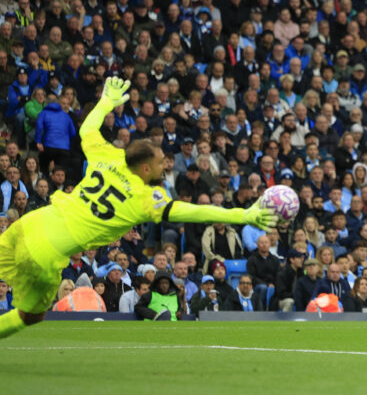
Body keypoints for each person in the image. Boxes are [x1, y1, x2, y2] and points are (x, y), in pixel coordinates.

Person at [0, 77, 278, 339]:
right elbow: (193, 211)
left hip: (31, 223)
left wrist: (105, 103)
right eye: (159, 161)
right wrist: (243, 214)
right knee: (30, 316)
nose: (165, 164)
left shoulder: (110, 156)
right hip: (47, 251)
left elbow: (86, 130)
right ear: (145, 167)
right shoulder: (145, 199)